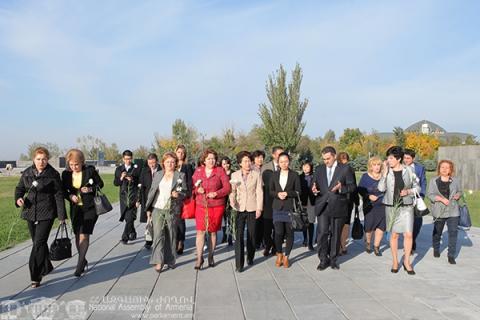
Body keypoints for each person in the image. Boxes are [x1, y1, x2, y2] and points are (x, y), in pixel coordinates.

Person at [14, 147, 66, 288]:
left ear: (47, 159)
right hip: (30, 212)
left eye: (44, 159)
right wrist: (18, 199)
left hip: (47, 213)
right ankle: (47, 266)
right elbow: (19, 189)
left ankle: (35, 276)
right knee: (38, 243)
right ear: (33, 159)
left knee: (38, 244)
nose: (41, 162)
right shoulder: (27, 173)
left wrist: (62, 215)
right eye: (38, 159)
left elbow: (59, 195)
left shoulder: (53, 174)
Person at [378, 146, 420, 275]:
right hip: (391, 207)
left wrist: (408, 191)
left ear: (398, 158)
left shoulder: (409, 170)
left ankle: (407, 262)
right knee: (394, 234)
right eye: (388, 158)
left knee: (408, 234)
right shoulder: (386, 171)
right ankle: (395, 261)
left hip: (406, 206)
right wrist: (384, 174)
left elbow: (417, 187)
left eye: (391, 158)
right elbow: (380, 189)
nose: (388, 160)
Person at [312, 146, 356, 271]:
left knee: (336, 234)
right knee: (322, 233)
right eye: (324, 159)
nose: (326, 161)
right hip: (323, 206)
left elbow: (352, 187)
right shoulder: (319, 169)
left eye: (328, 158)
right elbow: (314, 184)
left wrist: (341, 188)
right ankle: (322, 259)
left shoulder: (345, 168)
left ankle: (333, 259)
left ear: (334, 156)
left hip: (338, 205)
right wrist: (314, 190)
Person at [62, 149, 104, 276]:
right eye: (71, 164)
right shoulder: (65, 174)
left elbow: (100, 184)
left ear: (82, 162)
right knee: (77, 235)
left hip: (90, 208)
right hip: (76, 209)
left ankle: (79, 265)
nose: (74, 167)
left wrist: (90, 188)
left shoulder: (89, 171)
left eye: (76, 164)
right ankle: (83, 259)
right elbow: (63, 190)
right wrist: (70, 196)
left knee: (84, 235)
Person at [145, 152, 187, 272]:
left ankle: (170, 260)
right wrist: (148, 209)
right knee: (158, 235)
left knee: (171, 235)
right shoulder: (158, 174)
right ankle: (159, 261)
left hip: (172, 209)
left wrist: (178, 194)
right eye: (168, 162)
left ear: (176, 163)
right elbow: (152, 191)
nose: (170, 164)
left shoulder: (180, 176)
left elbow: (185, 193)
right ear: (163, 163)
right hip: (157, 208)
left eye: (172, 162)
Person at [192, 148, 231, 269]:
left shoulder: (220, 171)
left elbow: (227, 188)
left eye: (213, 158)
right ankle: (199, 258)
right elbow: (191, 187)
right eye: (208, 158)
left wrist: (217, 193)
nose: (211, 161)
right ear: (204, 160)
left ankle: (211, 255)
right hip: (201, 205)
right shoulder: (198, 171)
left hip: (216, 206)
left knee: (213, 232)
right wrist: (197, 190)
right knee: (200, 232)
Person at [229, 151, 263, 272]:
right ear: (240, 163)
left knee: (251, 234)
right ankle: (239, 264)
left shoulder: (256, 174)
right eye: (245, 161)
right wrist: (232, 201)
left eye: (249, 161)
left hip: (252, 208)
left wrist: (259, 208)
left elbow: (259, 192)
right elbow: (232, 191)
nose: (248, 163)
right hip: (239, 208)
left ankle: (250, 256)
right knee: (239, 236)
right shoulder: (235, 175)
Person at [269, 152, 301, 268]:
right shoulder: (274, 175)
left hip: (289, 208)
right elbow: (270, 191)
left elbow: (298, 191)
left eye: (286, 161)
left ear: (289, 162)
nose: (284, 164)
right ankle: (279, 254)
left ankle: (287, 256)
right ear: (278, 162)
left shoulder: (294, 175)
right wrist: (278, 194)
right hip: (277, 207)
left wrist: (287, 193)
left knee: (289, 233)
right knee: (278, 232)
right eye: (281, 161)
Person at [428, 160, 462, 264]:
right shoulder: (434, 180)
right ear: (439, 168)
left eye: (447, 167)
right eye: (442, 167)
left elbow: (460, 191)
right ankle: (436, 248)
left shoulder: (455, 180)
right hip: (439, 211)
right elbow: (430, 195)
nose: (444, 169)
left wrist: (458, 195)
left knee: (453, 232)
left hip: (453, 210)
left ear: (451, 170)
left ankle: (451, 255)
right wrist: (441, 199)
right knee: (437, 231)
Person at [357, 156, 386, 256]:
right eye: (374, 165)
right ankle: (368, 242)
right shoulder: (365, 176)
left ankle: (377, 246)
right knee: (369, 227)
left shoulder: (384, 176)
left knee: (381, 226)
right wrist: (368, 196)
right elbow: (360, 189)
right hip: (370, 205)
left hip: (383, 205)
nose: (377, 167)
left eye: (378, 165)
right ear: (370, 166)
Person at [261, 146, 284, 257]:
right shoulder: (265, 167)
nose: (281, 156)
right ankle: (268, 244)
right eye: (279, 154)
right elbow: (260, 185)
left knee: (278, 228)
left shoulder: (285, 167)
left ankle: (276, 247)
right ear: (274, 155)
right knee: (266, 228)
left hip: (280, 202)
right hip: (267, 202)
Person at [114, 150, 141, 244]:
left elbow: (140, 183)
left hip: (133, 196)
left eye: (129, 159)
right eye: (126, 159)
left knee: (130, 217)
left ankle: (124, 237)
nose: (128, 161)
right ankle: (133, 232)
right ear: (123, 159)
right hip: (123, 197)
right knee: (127, 218)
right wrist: (121, 177)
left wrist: (132, 179)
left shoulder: (136, 168)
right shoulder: (119, 169)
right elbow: (116, 183)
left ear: (132, 158)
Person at [403, 149, 427, 253]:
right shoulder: (400, 167)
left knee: (417, 222)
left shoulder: (419, 168)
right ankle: (408, 244)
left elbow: (423, 182)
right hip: (403, 199)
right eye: (404, 158)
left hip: (416, 198)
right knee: (405, 223)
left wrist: (421, 196)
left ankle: (412, 240)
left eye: (408, 158)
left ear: (413, 158)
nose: (406, 160)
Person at [337, 152, 359, 255]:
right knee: (343, 223)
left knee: (345, 223)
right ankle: (341, 246)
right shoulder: (344, 169)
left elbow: (354, 186)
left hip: (348, 200)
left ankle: (343, 245)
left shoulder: (349, 169)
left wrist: (356, 200)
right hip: (340, 199)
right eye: (343, 160)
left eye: (346, 160)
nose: (345, 162)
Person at [138, 153, 161, 249]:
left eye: (153, 162)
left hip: (159, 198)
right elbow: (141, 187)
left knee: (157, 221)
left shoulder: (162, 170)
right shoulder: (144, 171)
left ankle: (157, 239)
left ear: (157, 161)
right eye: (150, 163)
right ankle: (148, 240)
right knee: (149, 220)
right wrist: (138, 199)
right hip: (147, 199)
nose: (152, 165)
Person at [175, 144, 194, 254]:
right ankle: (175, 239)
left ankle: (180, 241)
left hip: (182, 196)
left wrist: (187, 195)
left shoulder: (187, 166)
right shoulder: (172, 164)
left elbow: (190, 182)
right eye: (179, 152)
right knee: (174, 220)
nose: (180, 154)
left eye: (182, 152)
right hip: (172, 195)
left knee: (180, 220)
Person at [299, 161, 316, 251]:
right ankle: (305, 239)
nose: (305, 168)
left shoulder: (315, 176)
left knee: (311, 222)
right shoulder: (300, 177)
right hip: (303, 202)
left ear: (311, 167)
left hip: (312, 202)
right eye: (304, 166)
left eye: (307, 166)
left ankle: (310, 243)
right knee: (304, 222)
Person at [251, 149, 266, 250]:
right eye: (258, 157)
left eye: (261, 157)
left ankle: (262, 241)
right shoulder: (251, 169)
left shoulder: (265, 168)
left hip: (265, 198)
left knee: (264, 221)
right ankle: (255, 242)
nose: (260, 159)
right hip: (254, 199)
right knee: (255, 222)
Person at [220, 156, 234, 246]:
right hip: (222, 198)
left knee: (231, 218)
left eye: (227, 163)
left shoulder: (233, 173)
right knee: (223, 219)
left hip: (231, 198)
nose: (226, 165)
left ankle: (230, 236)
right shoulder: (220, 173)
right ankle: (224, 234)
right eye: (224, 164)